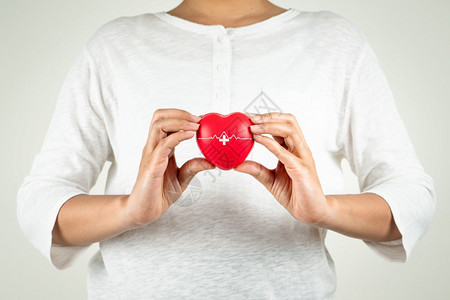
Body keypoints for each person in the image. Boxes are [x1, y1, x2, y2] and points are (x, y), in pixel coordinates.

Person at [17, 0, 436, 298]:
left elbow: (412, 198)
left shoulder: (333, 42)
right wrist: (128, 210)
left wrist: (325, 209)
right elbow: (40, 202)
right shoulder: (114, 46)